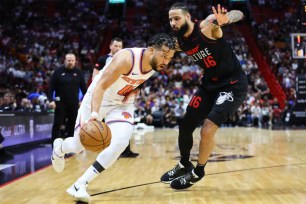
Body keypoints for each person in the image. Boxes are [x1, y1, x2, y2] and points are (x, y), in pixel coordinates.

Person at [51, 33, 175, 202]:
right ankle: (59, 148)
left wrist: (134, 91)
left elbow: (137, 80)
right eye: (165, 56)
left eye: (170, 58)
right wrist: (95, 114)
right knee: (79, 145)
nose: (166, 62)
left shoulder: (156, 61)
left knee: (120, 142)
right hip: (98, 98)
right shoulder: (126, 58)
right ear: (151, 50)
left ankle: (80, 184)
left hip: (122, 103)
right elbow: (100, 86)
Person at [160, 3, 248, 190]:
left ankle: (197, 172)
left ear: (188, 17)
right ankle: (184, 164)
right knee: (185, 126)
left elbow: (238, 13)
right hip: (209, 84)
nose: (173, 23)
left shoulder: (208, 26)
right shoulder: (178, 41)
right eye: (170, 19)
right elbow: (161, 52)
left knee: (207, 130)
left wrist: (227, 19)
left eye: (176, 18)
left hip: (232, 84)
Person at [93, 38, 139, 158]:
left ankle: (126, 150)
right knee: (108, 124)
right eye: (116, 46)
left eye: (120, 46)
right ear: (110, 46)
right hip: (106, 94)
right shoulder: (103, 59)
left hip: (120, 94)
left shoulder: (124, 59)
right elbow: (95, 76)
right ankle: (109, 151)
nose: (118, 48)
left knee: (124, 121)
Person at [48, 53, 87, 144]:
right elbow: (51, 88)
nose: (71, 62)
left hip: (74, 103)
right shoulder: (57, 72)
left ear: (75, 61)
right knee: (57, 124)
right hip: (60, 103)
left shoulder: (78, 72)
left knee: (72, 125)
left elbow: (85, 90)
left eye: (72, 60)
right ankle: (54, 146)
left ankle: (71, 146)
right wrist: (51, 100)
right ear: (65, 60)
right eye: (69, 60)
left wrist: (83, 101)